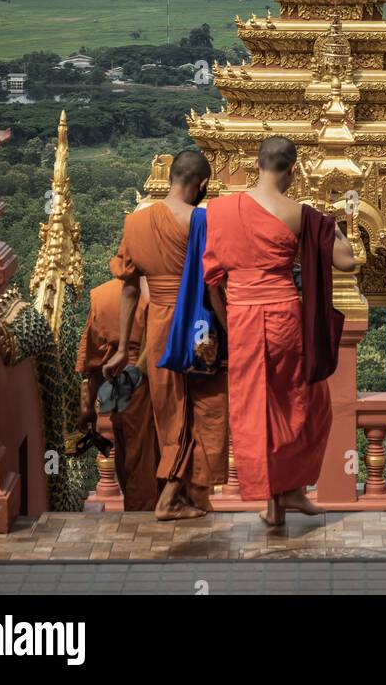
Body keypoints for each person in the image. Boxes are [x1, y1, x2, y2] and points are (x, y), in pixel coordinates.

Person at [203, 134, 356, 527]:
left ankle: (277, 499)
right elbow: (346, 262)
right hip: (286, 317)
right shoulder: (300, 213)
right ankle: (289, 492)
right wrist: (333, 224)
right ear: (292, 170)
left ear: (256, 165)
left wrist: (227, 320)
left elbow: (211, 278)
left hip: (241, 318)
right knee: (304, 403)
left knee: (257, 408)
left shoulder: (219, 210)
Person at [103, 149, 229, 521]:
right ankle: (173, 495)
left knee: (171, 411)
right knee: (205, 409)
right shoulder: (201, 221)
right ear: (202, 183)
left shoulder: (135, 224)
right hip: (198, 329)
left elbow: (128, 287)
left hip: (159, 327)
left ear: (172, 177)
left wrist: (123, 348)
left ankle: (191, 494)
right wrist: (231, 329)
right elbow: (211, 287)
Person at [76, 275, 159, 511]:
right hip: (150, 380)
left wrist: (89, 407)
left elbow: (94, 362)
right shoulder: (157, 292)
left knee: (128, 457)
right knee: (146, 459)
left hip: (117, 386)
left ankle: (137, 518)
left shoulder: (102, 295)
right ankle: (146, 521)